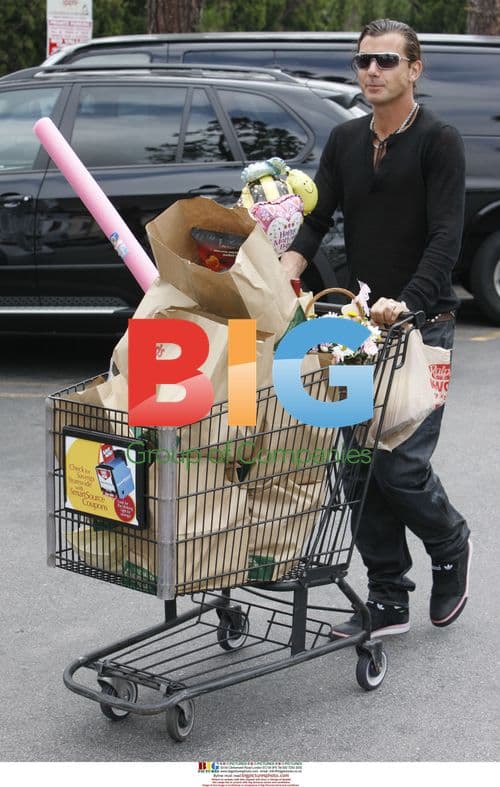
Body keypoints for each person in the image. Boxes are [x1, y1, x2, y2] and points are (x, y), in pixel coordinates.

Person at [281, 18, 472, 637]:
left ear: (414, 69)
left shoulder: (439, 141)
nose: (372, 71)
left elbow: (446, 237)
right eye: (363, 60)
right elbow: (316, 221)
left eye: (386, 60)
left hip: (423, 328)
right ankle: (388, 596)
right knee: (358, 466)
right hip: (356, 330)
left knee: (401, 467)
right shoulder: (344, 139)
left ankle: (450, 542)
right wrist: (287, 270)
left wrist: (407, 302)